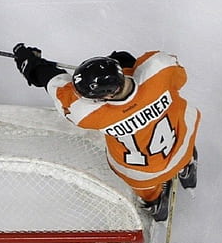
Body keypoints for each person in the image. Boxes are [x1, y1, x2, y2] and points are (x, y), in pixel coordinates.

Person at [11, 44, 201, 222]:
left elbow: (53, 81)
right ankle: (186, 167)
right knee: (182, 127)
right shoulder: (159, 68)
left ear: (108, 96)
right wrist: (126, 67)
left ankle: (156, 204)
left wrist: (32, 64)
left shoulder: (87, 113)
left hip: (142, 173)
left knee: (146, 185)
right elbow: (175, 76)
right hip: (180, 144)